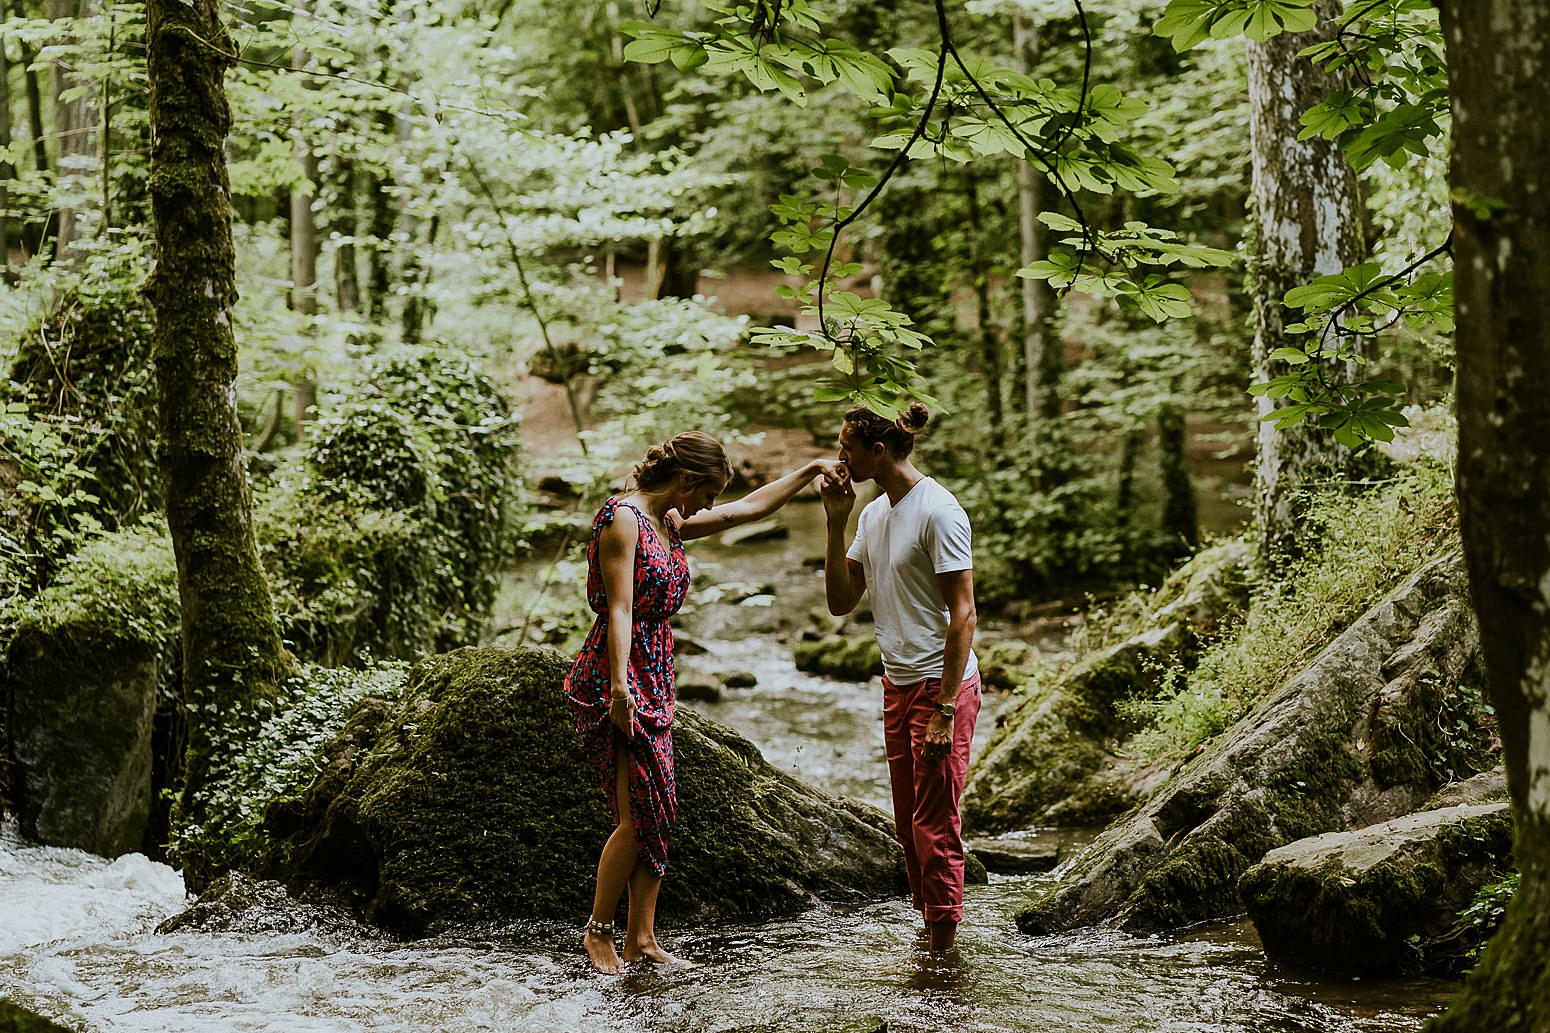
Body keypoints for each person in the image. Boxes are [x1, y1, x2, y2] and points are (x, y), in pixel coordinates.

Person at [563, 431, 841, 974]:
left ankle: (642, 937)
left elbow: (746, 511)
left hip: (657, 673)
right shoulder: (622, 519)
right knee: (636, 812)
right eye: (707, 493)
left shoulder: (669, 521)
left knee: (660, 806)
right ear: (686, 481)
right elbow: (618, 610)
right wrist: (620, 689)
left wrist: (810, 470)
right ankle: (598, 932)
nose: (710, 506)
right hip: (617, 674)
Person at [819, 402, 980, 955]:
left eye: (847, 447)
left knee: (934, 823)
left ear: (877, 451)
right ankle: (932, 937)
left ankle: (942, 954)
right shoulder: (872, 514)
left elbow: (964, 613)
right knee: (909, 823)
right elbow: (841, 601)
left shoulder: (939, 511)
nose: (840, 457)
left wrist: (945, 707)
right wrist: (836, 521)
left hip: (940, 686)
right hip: (896, 683)